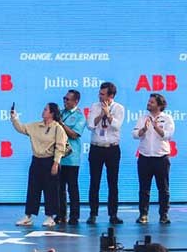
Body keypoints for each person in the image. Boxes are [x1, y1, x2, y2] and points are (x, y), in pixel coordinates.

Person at [11, 102, 68, 227]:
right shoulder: (36, 126)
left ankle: (50, 216)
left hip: (50, 160)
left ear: (52, 113)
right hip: (36, 160)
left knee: (51, 190)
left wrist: (56, 163)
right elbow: (21, 128)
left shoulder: (58, 128)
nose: (43, 111)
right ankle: (28, 216)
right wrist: (14, 118)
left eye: (46, 109)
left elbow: (60, 147)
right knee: (33, 188)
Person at [132, 93, 175, 225]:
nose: (149, 104)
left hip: (161, 158)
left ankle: (164, 215)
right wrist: (144, 129)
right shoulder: (143, 118)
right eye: (149, 102)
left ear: (159, 105)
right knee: (144, 188)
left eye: (152, 102)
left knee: (163, 188)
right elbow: (134, 134)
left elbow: (168, 135)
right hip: (145, 157)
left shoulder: (167, 118)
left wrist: (156, 127)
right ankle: (143, 214)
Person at [86, 81, 125, 225]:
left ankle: (113, 214)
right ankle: (93, 213)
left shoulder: (119, 108)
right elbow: (90, 125)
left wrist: (108, 114)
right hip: (96, 147)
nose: (99, 96)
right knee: (94, 182)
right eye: (99, 93)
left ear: (111, 95)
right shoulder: (94, 107)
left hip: (112, 148)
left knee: (112, 182)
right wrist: (100, 114)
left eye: (102, 94)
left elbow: (116, 126)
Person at [56, 89, 87, 225]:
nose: (65, 101)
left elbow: (74, 134)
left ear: (76, 101)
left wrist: (61, 124)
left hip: (71, 157)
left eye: (68, 99)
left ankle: (74, 216)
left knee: (72, 188)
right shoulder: (61, 113)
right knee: (59, 188)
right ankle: (61, 215)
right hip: (58, 156)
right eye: (64, 98)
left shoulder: (80, 117)